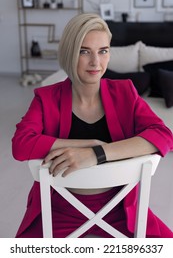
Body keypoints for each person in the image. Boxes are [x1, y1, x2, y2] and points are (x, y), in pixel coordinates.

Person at [12, 13, 173, 238]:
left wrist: (96, 154)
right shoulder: (46, 97)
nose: (95, 62)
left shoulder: (125, 92)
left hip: (121, 208)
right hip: (59, 208)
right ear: (70, 52)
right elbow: (21, 144)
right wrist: (86, 143)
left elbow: (164, 135)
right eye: (84, 51)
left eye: (103, 51)